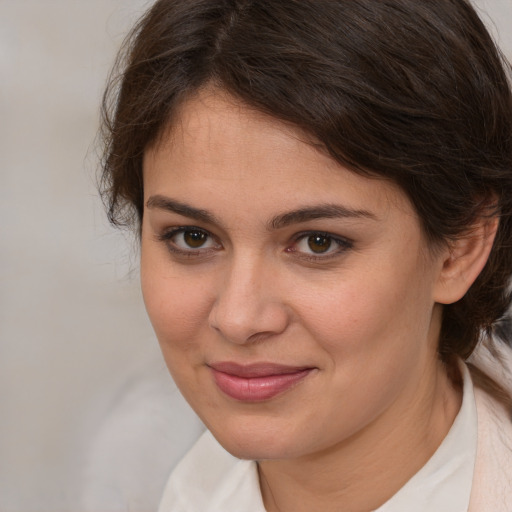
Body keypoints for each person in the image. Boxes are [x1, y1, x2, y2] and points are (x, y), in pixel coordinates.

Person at [99, 0, 512, 510]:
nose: (238, 318)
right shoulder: (141, 470)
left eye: (319, 243)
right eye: (192, 237)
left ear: (461, 248)